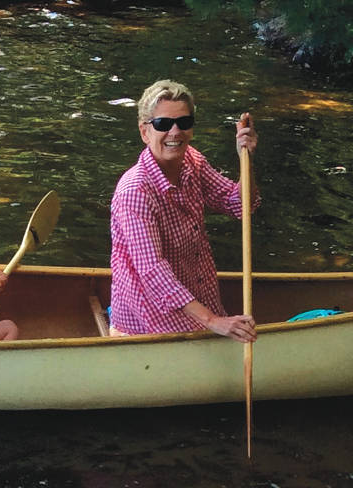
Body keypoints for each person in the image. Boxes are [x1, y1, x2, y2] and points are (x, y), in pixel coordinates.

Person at [109, 79, 259, 343]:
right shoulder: (135, 191)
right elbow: (153, 272)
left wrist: (244, 157)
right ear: (145, 132)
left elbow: (240, 205)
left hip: (199, 298)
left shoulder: (193, 160)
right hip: (151, 316)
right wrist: (214, 322)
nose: (175, 132)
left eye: (184, 123)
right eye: (163, 124)